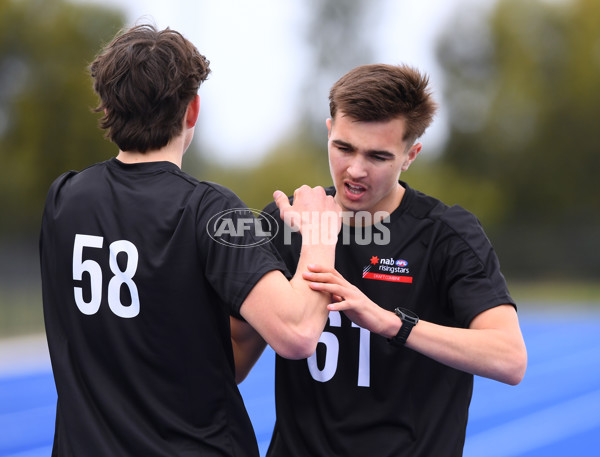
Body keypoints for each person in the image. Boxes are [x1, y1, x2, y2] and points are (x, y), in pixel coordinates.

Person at [39, 24, 341, 457]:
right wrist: (318, 237)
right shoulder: (212, 209)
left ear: (107, 105)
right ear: (192, 110)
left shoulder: (62, 199)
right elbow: (296, 334)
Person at [234, 64, 527, 457]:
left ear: (410, 155)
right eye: (344, 148)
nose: (355, 170)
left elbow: (509, 359)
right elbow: (233, 358)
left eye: (378, 156)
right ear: (328, 130)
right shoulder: (288, 220)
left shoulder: (446, 235)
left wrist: (389, 322)